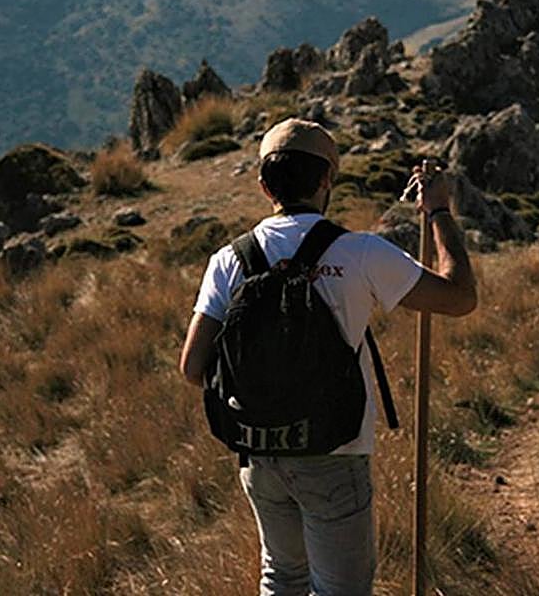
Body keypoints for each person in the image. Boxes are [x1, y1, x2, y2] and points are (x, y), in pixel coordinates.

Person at [178, 118, 477, 596]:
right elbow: (460, 298)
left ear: (263, 185)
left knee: (281, 579)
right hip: (334, 452)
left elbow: (193, 369)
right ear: (326, 180)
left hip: (259, 452)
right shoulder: (359, 253)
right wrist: (439, 211)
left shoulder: (229, 260)